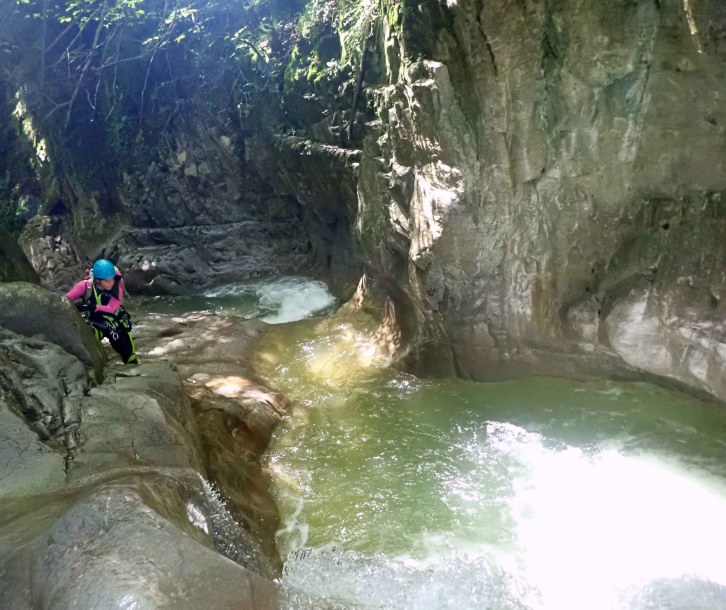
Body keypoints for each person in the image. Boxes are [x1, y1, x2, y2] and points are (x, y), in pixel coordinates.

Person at [66, 258, 138, 365]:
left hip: (115, 324)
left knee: (130, 357)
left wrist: (90, 307)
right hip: (94, 323)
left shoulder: (118, 284)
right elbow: (65, 300)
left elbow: (112, 308)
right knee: (87, 340)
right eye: (107, 281)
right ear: (97, 280)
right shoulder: (85, 286)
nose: (111, 283)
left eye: (112, 279)